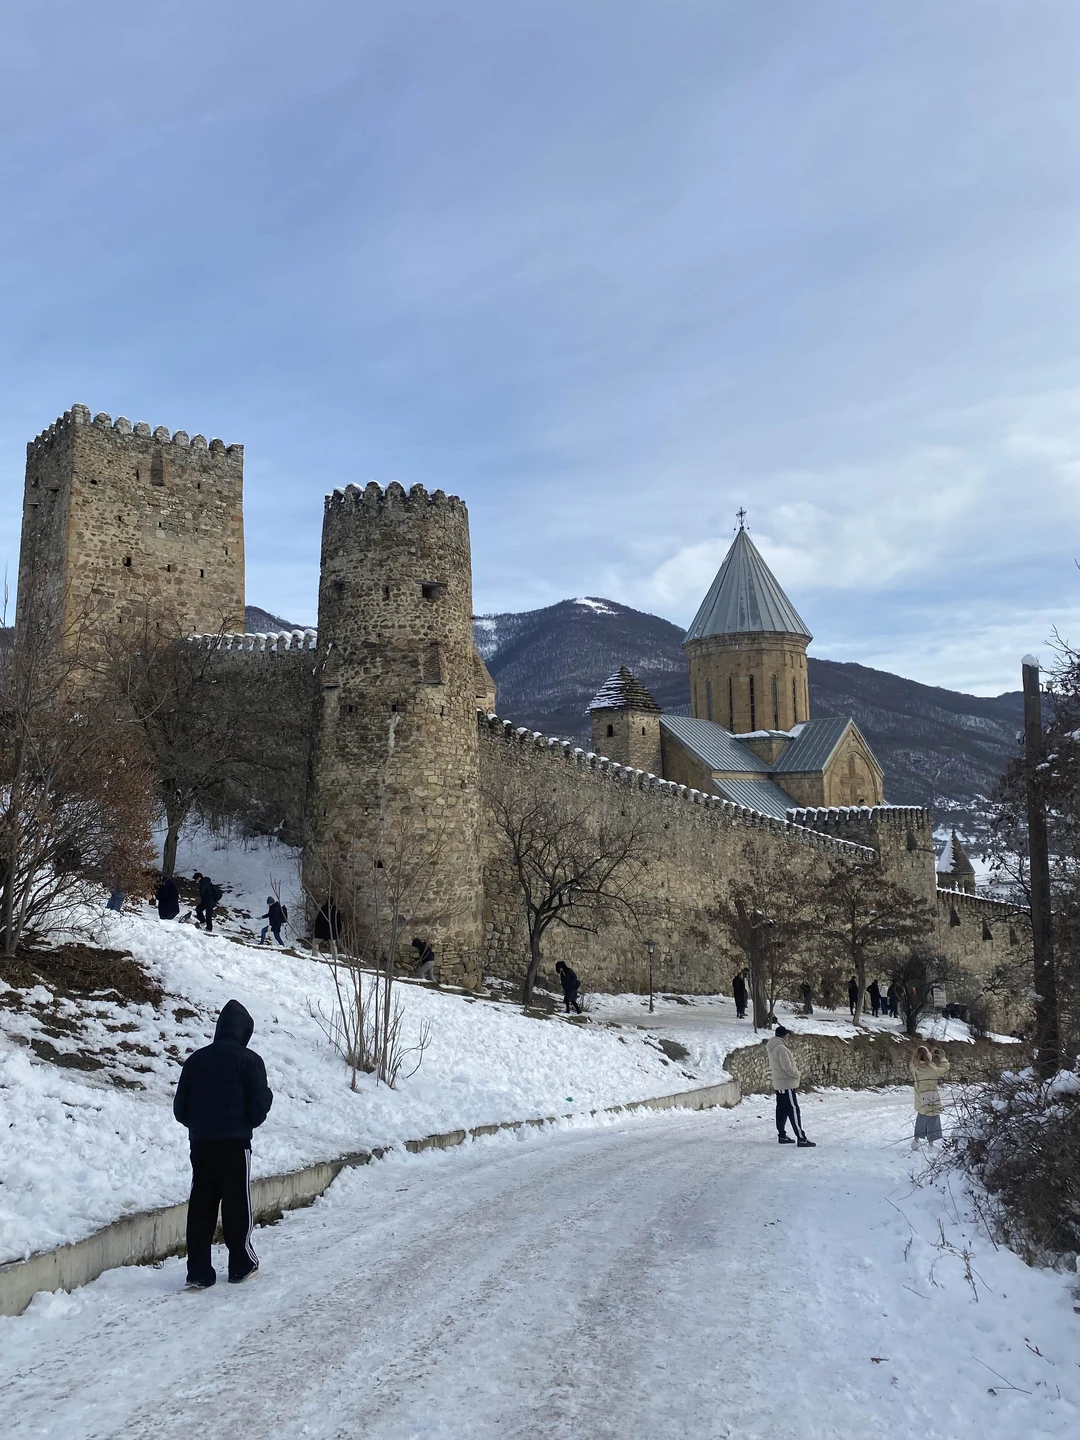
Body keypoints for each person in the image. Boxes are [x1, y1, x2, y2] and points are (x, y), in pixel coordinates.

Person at [173, 999, 273, 1289]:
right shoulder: (250, 1061)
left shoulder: (195, 1061)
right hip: (235, 1145)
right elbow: (257, 1110)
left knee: (201, 1206)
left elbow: (180, 1109)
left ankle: (199, 1271)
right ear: (244, 1032)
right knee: (237, 1205)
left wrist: (200, 1126)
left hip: (201, 1145)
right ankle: (241, 1264)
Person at [766, 1025, 815, 1147]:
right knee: (793, 1110)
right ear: (784, 1036)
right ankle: (801, 1138)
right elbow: (787, 1067)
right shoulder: (781, 1048)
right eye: (787, 1035)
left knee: (781, 1110)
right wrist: (797, 1074)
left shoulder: (772, 1047)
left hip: (779, 1084)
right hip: (787, 1084)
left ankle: (782, 1135)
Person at [911, 1044, 950, 1151]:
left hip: (920, 1098)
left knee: (921, 1119)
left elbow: (920, 1061)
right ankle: (931, 1145)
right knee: (933, 1119)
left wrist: (929, 1057)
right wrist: (943, 1058)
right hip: (931, 1097)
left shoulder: (914, 1067)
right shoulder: (932, 1070)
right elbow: (944, 1069)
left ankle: (916, 1141)